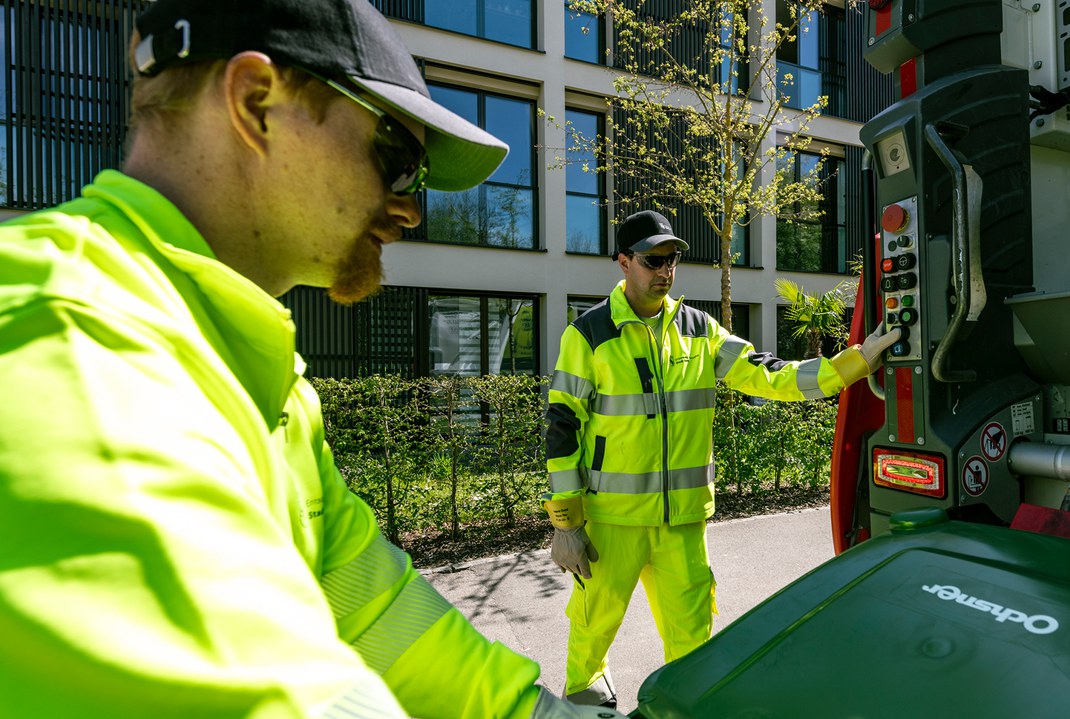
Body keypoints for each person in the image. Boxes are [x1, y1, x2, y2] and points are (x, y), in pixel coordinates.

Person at [0, 1, 620, 717]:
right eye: (394, 158)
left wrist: (534, 712)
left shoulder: (260, 372)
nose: (410, 208)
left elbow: (369, 606)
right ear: (256, 103)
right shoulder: (68, 342)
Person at [543, 209, 900, 705]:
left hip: (683, 525)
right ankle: (582, 697)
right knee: (592, 626)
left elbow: (772, 375)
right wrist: (566, 523)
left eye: (672, 260)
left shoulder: (700, 329)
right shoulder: (587, 336)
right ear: (624, 262)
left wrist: (856, 361)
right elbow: (562, 429)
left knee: (693, 641)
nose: (665, 271)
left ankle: (686, 707)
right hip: (610, 522)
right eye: (653, 260)